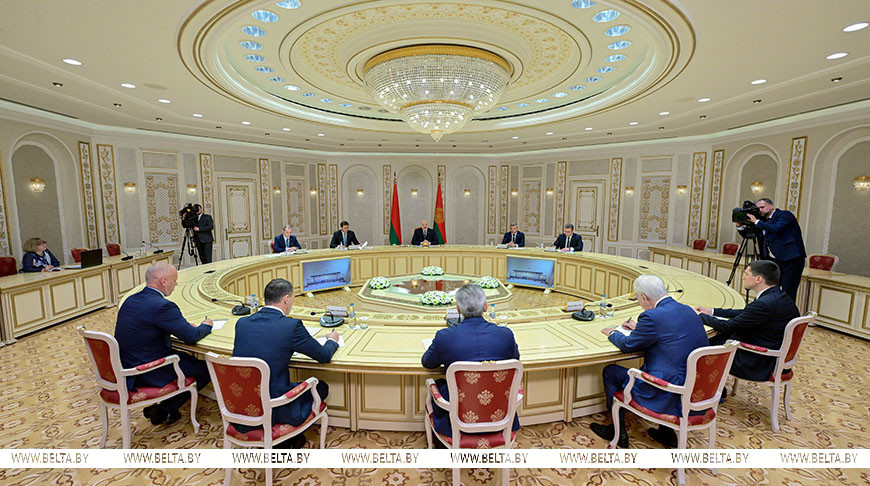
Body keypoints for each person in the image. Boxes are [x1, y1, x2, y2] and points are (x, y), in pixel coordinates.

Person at [590, 275, 709, 449]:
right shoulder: (687, 310)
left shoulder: (651, 316)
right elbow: (669, 331)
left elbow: (627, 345)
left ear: (644, 297)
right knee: (669, 364)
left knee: (611, 372)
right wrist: (639, 329)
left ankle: (617, 432)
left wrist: (612, 332)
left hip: (667, 390)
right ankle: (666, 433)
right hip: (697, 388)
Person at [233, 278, 339, 448]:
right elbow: (324, 356)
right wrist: (332, 340)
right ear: (286, 299)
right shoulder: (291, 326)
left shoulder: (242, 323)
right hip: (275, 405)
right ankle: (285, 441)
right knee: (321, 387)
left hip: (241, 403)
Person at [114, 262, 213, 425]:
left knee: (187, 359)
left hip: (126, 364)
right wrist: (206, 325)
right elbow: (191, 337)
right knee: (207, 369)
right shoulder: (163, 306)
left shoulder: (130, 300)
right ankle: (166, 409)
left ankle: (165, 408)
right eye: (174, 280)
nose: (176, 284)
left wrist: (180, 325)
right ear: (164, 281)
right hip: (147, 370)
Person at [422, 283, 521, 438]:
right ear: (486, 307)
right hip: (499, 412)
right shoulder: (506, 335)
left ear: (458, 309)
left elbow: (427, 363)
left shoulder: (444, 337)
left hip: (456, 417)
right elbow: (516, 359)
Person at [694, 260, 799, 384]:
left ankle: (709, 388)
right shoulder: (779, 295)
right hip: (772, 353)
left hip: (757, 362)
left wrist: (699, 316)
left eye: (746, 274)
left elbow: (726, 326)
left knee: (699, 342)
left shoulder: (763, 304)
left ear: (758, 279)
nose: (743, 277)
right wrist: (712, 311)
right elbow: (746, 313)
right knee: (716, 338)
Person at [747, 198, 806, 302]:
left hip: (791, 260)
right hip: (773, 260)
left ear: (771, 206)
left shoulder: (784, 215)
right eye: (757, 208)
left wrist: (756, 221)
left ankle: (787, 312)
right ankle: (771, 310)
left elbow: (776, 228)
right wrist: (740, 225)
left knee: (788, 291)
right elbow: (749, 235)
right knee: (769, 289)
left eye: (762, 207)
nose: (760, 210)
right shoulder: (762, 221)